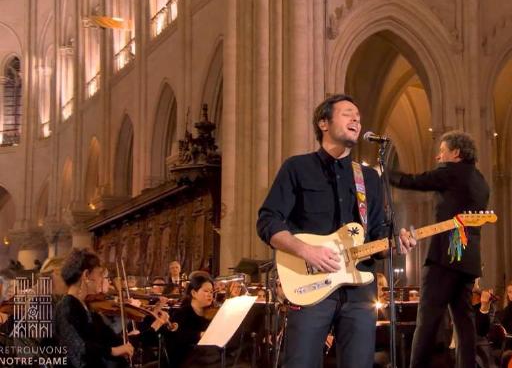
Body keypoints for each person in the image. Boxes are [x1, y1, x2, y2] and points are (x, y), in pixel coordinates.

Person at [256, 94, 415, 368]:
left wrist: (395, 244)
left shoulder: (369, 178)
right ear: (323, 123)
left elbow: (377, 233)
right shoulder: (297, 168)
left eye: (358, 116)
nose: (356, 119)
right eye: (347, 113)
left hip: (359, 293)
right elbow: (268, 221)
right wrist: (305, 250)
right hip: (310, 286)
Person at [389, 130, 490, 368]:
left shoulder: (451, 172)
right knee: (464, 321)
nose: (438, 157)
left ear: (455, 153)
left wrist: (384, 174)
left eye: (442, 151)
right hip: (468, 258)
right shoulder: (481, 180)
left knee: (427, 320)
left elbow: (414, 181)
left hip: (446, 256)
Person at [53, 248, 134, 367]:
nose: (102, 279)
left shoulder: (86, 307)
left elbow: (110, 338)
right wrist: (114, 351)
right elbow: (78, 348)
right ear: (86, 275)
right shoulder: (66, 307)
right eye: (100, 274)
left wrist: (152, 327)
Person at [167, 271, 218, 367]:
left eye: (211, 292)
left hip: (207, 357)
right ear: (194, 293)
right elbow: (177, 338)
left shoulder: (211, 313)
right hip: (186, 360)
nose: (210, 295)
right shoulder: (181, 313)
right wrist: (199, 334)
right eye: (206, 291)